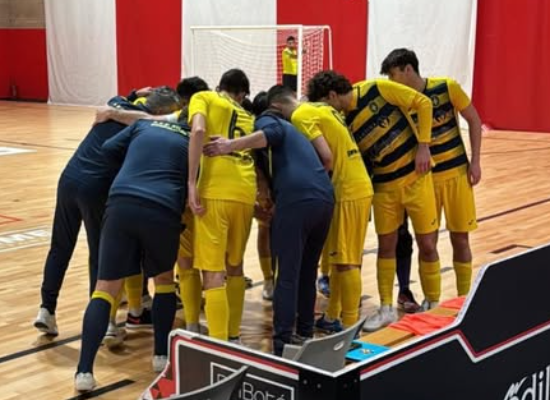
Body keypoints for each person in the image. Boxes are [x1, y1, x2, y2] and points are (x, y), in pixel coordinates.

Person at [33, 87, 181, 336]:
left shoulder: (116, 103)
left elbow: (126, 104)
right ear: (159, 112)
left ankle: (46, 309)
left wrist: (134, 93)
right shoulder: (145, 128)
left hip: (69, 178)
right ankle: (105, 321)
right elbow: (149, 122)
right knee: (100, 255)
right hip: (97, 186)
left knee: (60, 246)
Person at [204, 86, 334, 356]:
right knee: (307, 272)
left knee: (286, 275)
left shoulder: (269, 119)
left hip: (298, 200)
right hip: (324, 198)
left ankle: (282, 343)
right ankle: (305, 333)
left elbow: (269, 134)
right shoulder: (296, 134)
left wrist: (230, 145)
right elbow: (325, 159)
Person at [308, 70, 440, 331]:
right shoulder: (341, 118)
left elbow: (423, 103)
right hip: (383, 186)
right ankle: (386, 308)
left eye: (325, 103)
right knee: (386, 246)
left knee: (427, 244)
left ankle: (433, 304)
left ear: (332, 95)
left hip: (416, 177)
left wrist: (424, 146)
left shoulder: (377, 88)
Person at [74, 115, 190, 392]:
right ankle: (160, 356)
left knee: (105, 288)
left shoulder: (142, 124)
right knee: (164, 281)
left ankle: (84, 371)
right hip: (163, 207)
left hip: (122, 201)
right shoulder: (192, 137)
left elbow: (107, 148)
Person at [380, 48, 482, 299]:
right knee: (427, 244)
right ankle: (431, 300)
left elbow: (474, 120)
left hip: (457, 175)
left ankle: (464, 298)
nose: (391, 81)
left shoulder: (447, 87)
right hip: (423, 182)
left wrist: (475, 161)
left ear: (408, 69)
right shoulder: (399, 101)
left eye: (393, 74)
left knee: (461, 239)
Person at [273, 90, 373, 332]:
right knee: (340, 259)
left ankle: (350, 328)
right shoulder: (322, 108)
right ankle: (332, 316)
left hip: (347, 189)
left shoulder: (300, 115)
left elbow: (326, 158)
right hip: (356, 184)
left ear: (277, 107)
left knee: (346, 262)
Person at [187, 69, 256, 343]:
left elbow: (198, 130)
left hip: (215, 189)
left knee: (213, 271)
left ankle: (217, 343)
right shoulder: (248, 116)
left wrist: (191, 181)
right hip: (246, 191)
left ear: (220, 86)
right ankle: (234, 336)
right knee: (235, 266)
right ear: (242, 94)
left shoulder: (204, 96)